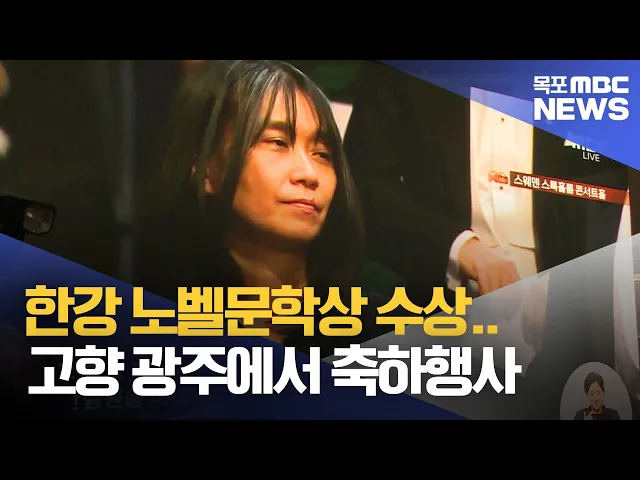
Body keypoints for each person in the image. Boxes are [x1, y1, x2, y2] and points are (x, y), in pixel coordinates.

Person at [135, 60, 396, 356]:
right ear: (205, 168)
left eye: (322, 154)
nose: (309, 174)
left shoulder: (383, 333)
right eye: (278, 142)